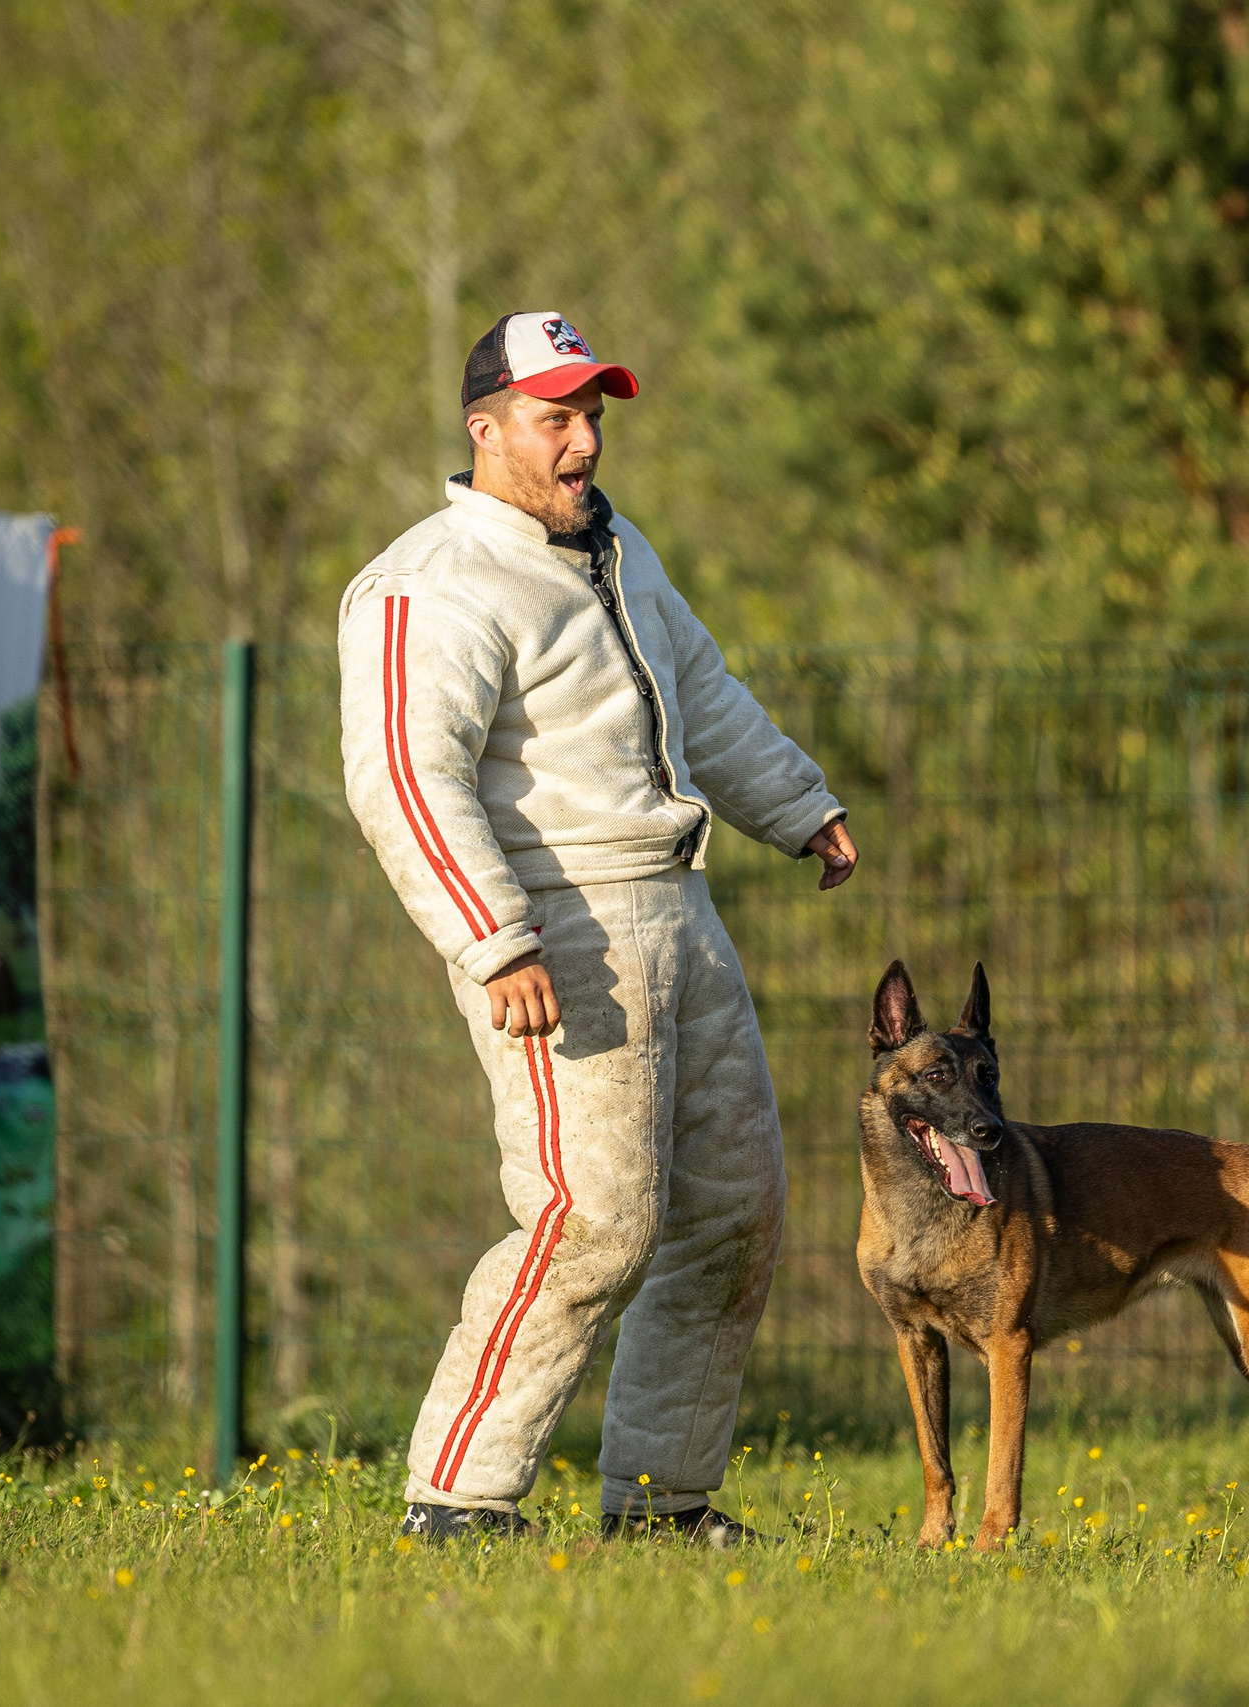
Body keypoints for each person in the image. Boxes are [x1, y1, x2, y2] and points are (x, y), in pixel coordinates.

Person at [338, 311, 859, 1546]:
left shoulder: (621, 553)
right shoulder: (430, 581)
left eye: (593, 419)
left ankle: (664, 1503)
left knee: (734, 1212)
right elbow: (406, 778)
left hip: (682, 908)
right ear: (486, 431)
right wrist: (494, 935)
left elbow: (706, 697)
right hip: (557, 926)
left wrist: (799, 807)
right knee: (592, 1221)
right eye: (554, 419)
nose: (582, 445)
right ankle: (455, 1500)